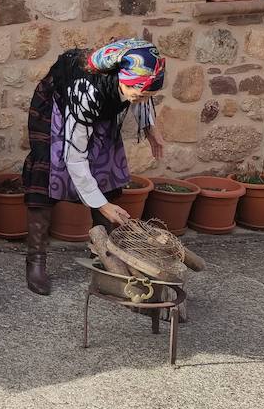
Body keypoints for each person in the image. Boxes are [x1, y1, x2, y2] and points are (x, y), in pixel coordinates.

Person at [21, 39, 167, 296]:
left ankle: (105, 257)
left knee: (103, 167)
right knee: (48, 174)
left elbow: (143, 94)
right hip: (57, 107)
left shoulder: (133, 79)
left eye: (147, 93)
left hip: (96, 111)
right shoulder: (88, 92)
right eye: (137, 91)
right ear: (122, 79)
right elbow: (75, 158)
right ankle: (36, 261)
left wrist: (150, 128)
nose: (140, 98)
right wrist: (102, 205)